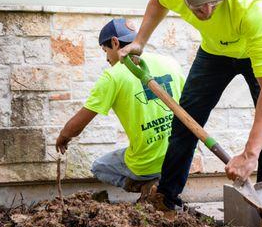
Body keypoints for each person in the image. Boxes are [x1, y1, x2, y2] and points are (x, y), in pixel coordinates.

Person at [120, 0, 262, 210]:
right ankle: (165, 198)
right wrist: (140, 42)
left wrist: (249, 155)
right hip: (215, 51)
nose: (209, 9)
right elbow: (158, 1)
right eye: (200, 3)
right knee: (184, 120)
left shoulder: (251, 6)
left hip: (257, 47)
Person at [56, 18, 185, 197]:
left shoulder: (113, 75)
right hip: (179, 158)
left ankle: (148, 187)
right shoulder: (170, 62)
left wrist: (63, 136)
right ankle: (163, 185)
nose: (107, 58)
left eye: (106, 50)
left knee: (99, 167)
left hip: (147, 163)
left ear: (115, 43)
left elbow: (77, 126)